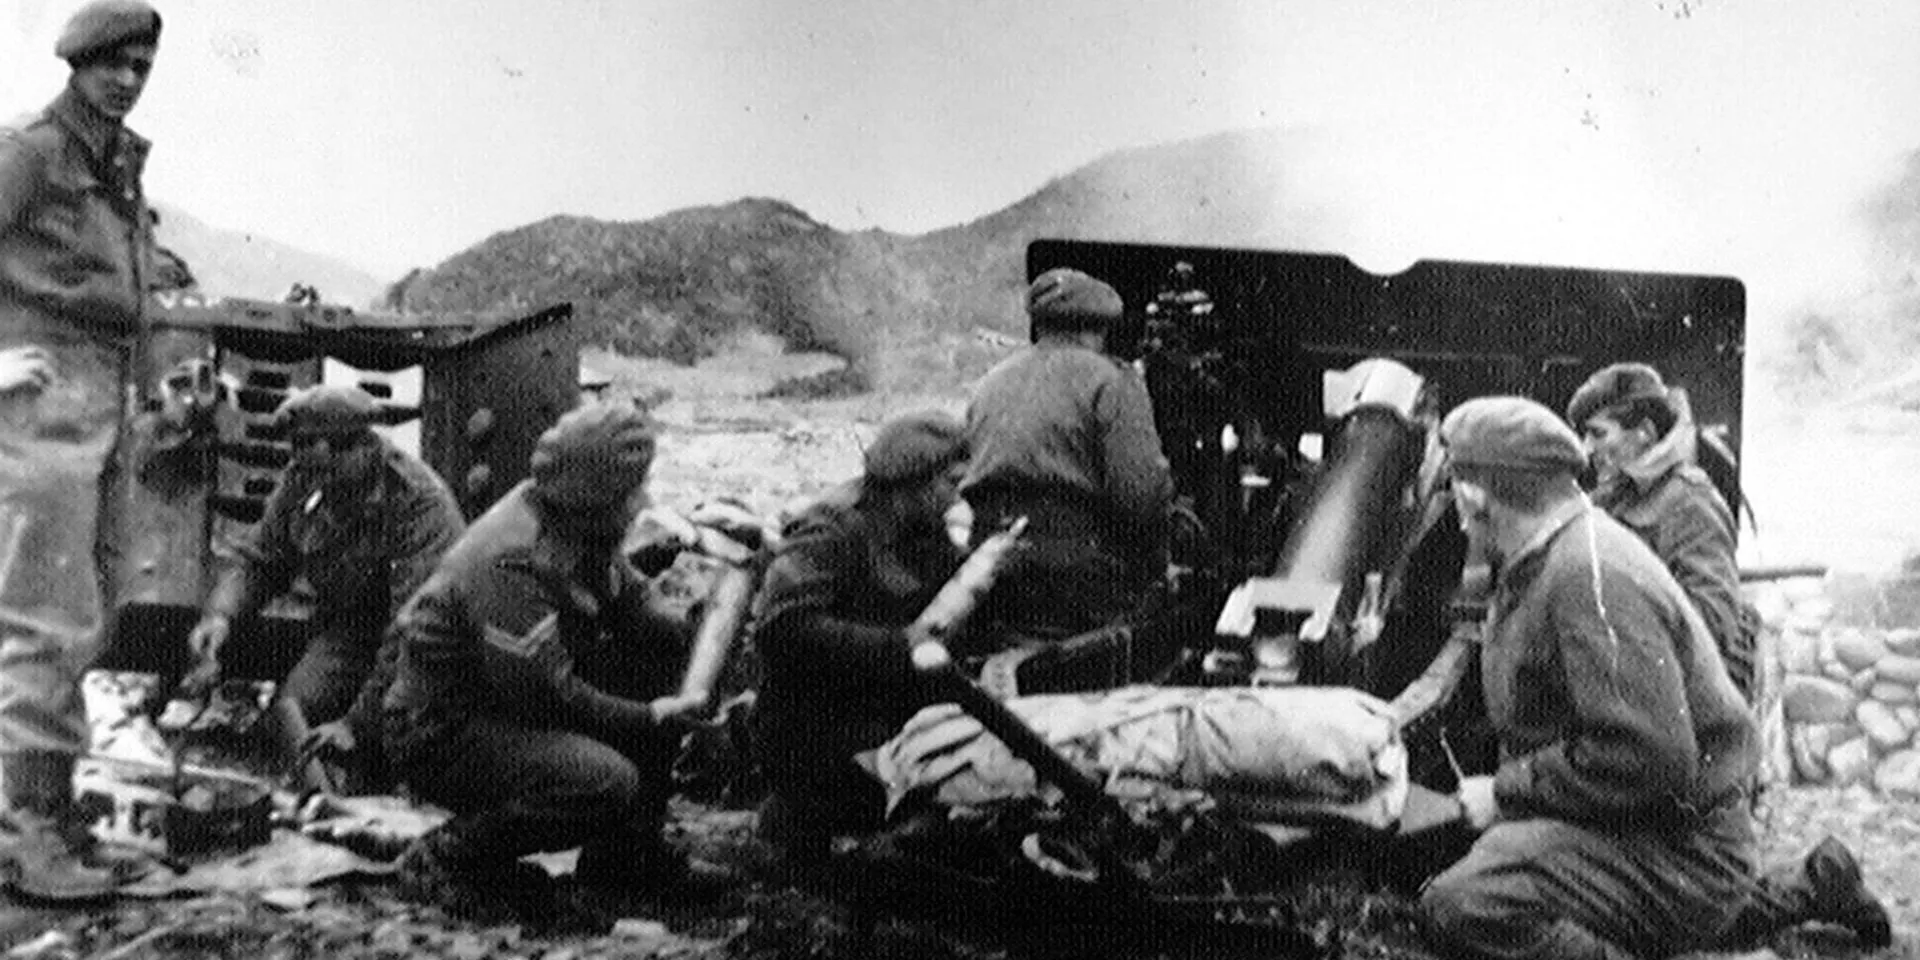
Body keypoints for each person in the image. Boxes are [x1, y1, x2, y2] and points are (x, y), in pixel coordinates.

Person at [1419, 396, 1889, 960]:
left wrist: (1503, 794)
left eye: (1453, 486)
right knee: (1495, 860)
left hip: (1683, 849)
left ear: (1474, 495)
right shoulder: (1558, 552)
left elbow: (1650, 757)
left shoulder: (1585, 577)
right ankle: (1818, 883)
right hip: (1661, 830)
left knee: (1468, 902)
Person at [381, 402, 718, 924]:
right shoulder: (511, 557)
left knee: (661, 658)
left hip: (499, 703)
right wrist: (649, 717)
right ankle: (448, 858)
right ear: (593, 498)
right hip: (439, 729)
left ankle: (625, 860)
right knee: (603, 780)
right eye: (629, 492)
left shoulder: (578, 522)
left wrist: (696, 620)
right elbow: (549, 694)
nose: (640, 504)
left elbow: (629, 599)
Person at [0, 0, 164, 901]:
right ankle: (24, 839)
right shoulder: (28, 150)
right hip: (40, 404)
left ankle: (56, 814)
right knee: (43, 618)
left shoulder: (114, 158)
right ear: (76, 62)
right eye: (112, 64)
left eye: (141, 67)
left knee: (92, 611)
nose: (127, 81)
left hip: (106, 398)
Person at [184, 385, 465, 754]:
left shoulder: (420, 504)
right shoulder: (306, 475)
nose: (317, 483)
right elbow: (262, 558)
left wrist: (356, 724)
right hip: (352, 630)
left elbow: (414, 629)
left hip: (429, 655)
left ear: (360, 446)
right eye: (309, 469)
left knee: (395, 745)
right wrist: (220, 615)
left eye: (328, 470)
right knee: (293, 713)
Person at [751, 410, 968, 868]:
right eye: (950, 482)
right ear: (915, 481)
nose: (956, 498)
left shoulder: (923, 532)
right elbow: (783, 629)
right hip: (813, 727)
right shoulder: (831, 530)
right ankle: (801, 812)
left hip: (875, 707)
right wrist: (898, 645)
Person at [960, 267, 1174, 674]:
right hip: (1075, 577)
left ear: (1037, 324)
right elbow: (1139, 495)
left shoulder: (991, 381)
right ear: (1101, 329)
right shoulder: (1111, 381)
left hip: (989, 566)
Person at [1567, 363, 1761, 700]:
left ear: (1644, 431)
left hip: (1689, 691)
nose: (1586, 448)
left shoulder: (1690, 503)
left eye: (1598, 433)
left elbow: (1713, 623)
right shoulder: (1616, 494)